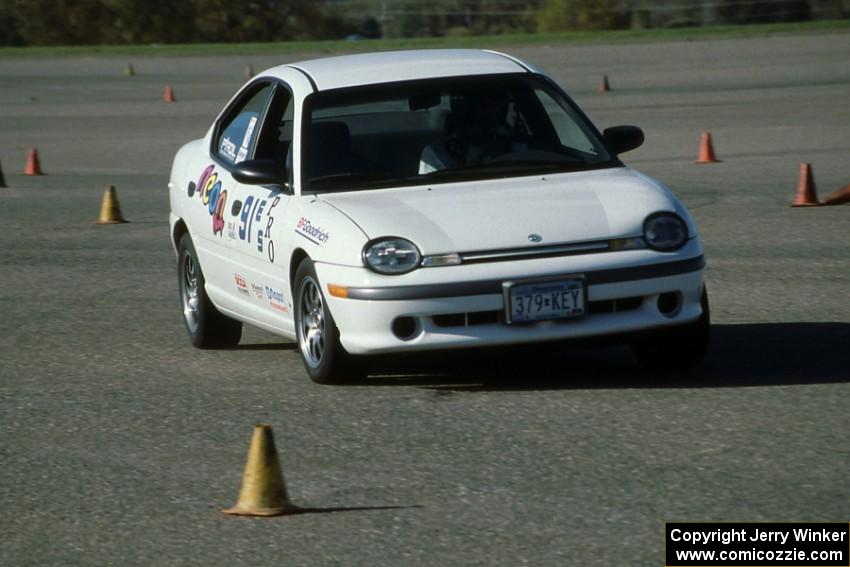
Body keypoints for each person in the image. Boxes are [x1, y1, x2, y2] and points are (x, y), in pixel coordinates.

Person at [418, 88, 529, 174]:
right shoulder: (438, 153)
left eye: (497, 105)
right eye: (484, 106)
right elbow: (432, 189)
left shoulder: (516, 147)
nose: (491, 113)